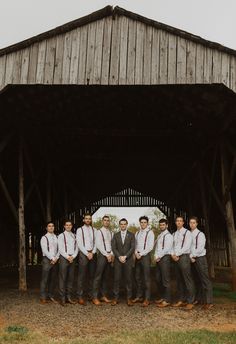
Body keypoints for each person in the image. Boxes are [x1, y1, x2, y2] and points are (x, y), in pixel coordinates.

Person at [189, 216, 213, 310]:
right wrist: (190, 256)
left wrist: (192, 256)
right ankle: (198, 299)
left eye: (194, 223)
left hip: (200, 258)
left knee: (205, 279)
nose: (192, 224)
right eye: (190, 222)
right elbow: (188, 247)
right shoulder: (189, 234)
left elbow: (200, 248)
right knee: (196, 280)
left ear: (197, 224)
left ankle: (209, 302)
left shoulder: (200, 234)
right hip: (192, 259)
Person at [171, 216, 195, 310]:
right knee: (179, 280)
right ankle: (181, 300)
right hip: (175, 258)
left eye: (181, 221)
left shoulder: (187, 233)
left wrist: (177, 254)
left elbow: (187, 246)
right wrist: (173, 254)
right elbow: (171, 246)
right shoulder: (173, 234)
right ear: (175, 222)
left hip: (184, 257)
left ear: (183, 223)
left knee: (187, 279)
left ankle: (190, 301)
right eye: (177, 221)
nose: (179, 222)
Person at [111, 218, 135, 306]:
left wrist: (125, 256)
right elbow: (114, 248)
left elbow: (132, 247)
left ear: (127, 224)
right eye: (121, 224)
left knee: (129, 280)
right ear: (119, 225)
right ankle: (115, 298)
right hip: (118, 260)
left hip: (128, 260)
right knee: (116, 280)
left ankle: (129, 299)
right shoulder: (116, 235)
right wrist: (119, 256)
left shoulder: (131, 235)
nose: (123, 225)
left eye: (124, 224)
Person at [132, 216, 154, 307]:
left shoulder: (150, 233)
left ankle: (147, 299)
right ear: (140, 223)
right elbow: (135, 245)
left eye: (145, 222)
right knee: (137, 277)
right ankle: (139, 296)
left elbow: (150, 247)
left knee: (146, 278)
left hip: (145, 256)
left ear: (147, 223)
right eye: (141, 222)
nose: (143, 224)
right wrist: (136, 252)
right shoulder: (137, 233)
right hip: (137, 256)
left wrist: (141, 254)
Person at [92, 215, 114, 306]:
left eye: (108, 220)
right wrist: (106, 254)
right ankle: (95, 297)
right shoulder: (99, 232)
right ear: (102, 221)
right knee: (98, 276)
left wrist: (111, 254)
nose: (106, 222)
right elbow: (98, 245)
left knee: (106, 277)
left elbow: (113, 245)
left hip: (109, 255)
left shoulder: (111, 232)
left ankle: (103, 295)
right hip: (102, 255)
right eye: (105, 220)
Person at [76, 213, 97, 305]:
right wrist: (87, 253)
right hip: (84, 254)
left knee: (92, 276)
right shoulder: (79, 230)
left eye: (89, 219)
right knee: (81, 276)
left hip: (92, 253)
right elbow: (79, 243)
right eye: (86, 219)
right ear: (83, 220)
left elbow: (97, 242)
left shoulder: (94, 230)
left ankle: (91, 295)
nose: (88, 220)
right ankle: (80, 296)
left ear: (91, 220)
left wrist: (92, 252)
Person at [58, 220, 78, 306]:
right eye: (67, 225)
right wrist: (67, 257)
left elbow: (77, 248)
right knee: (63, 278)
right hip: (64, 258)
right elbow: (60, 248)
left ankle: (68, 297)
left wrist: (73, 256)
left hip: (72, 258)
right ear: (64, 226)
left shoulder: (74, 236)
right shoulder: (61, 236)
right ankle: (62, 298)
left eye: (70, 225)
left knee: (71, 278)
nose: (68, 226)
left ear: (72, 226)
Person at [154, 218, 173, 308]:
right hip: (158, 258)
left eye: (163, 225)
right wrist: (155, 256)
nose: (161, 226)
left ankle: (167, 300)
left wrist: (159, 256)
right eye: (160, 225)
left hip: (165, 258)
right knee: (158, 278)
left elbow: (167, 248)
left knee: (166, 280)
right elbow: (157, 247)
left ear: (167, 225)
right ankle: (163, 296)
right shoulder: (160, 235)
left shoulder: (169, 236)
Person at [40, 221, 59, 304]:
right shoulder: (44, 238)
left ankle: (51, 295)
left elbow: (59, 249)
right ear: (46, 228)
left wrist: (56, 258)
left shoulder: (56, 237)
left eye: (52, 226)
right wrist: (52, 258)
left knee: (53, 279)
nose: (51, 227)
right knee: (45, 279)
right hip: (47, 259)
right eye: (49, 226)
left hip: (55, 260)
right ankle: (43, 297)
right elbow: (44, 250)